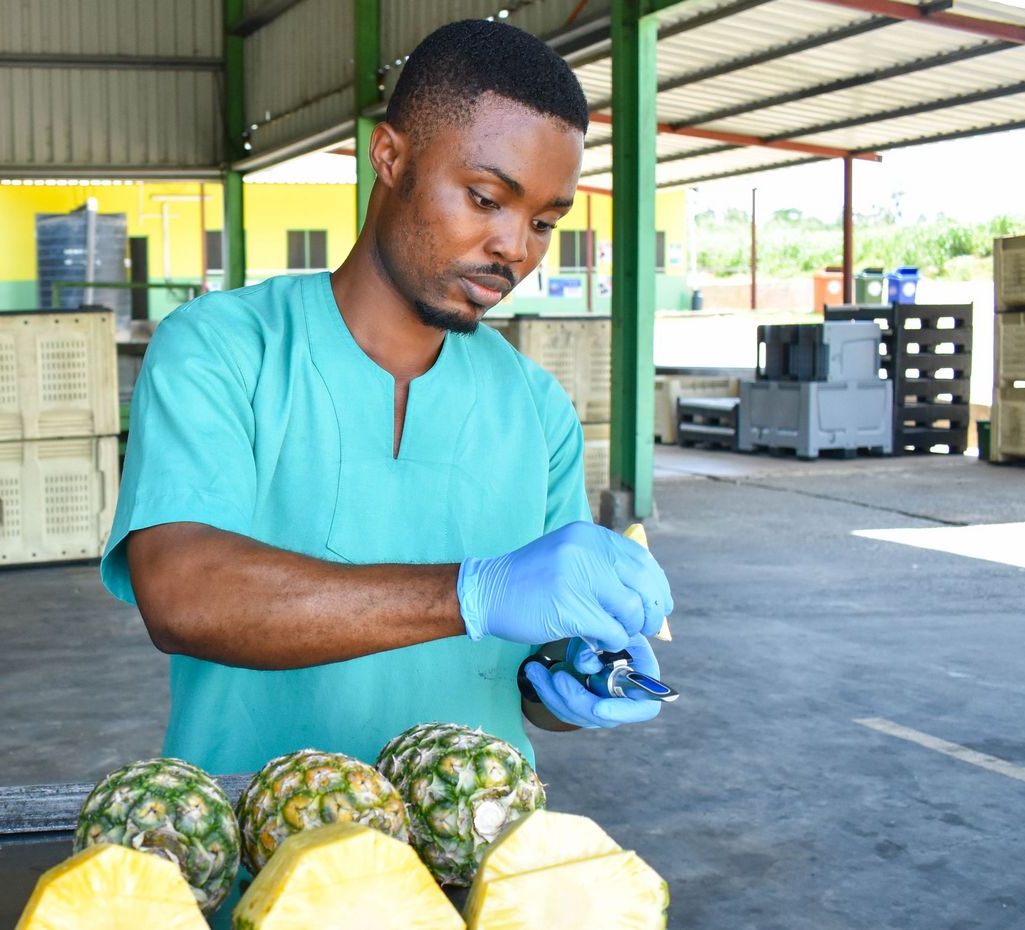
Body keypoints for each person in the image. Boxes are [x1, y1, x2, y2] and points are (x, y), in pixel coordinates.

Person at [100, 19, 673, 781]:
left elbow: (528, 673)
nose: (515, 248)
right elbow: (181, 593)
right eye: (484, 197)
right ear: (391, 156)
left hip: (471, 868)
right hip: (251, 859)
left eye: (543, 222)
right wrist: (470, 592)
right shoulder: (224, 349)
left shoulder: (536, 409)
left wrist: (573, 677)